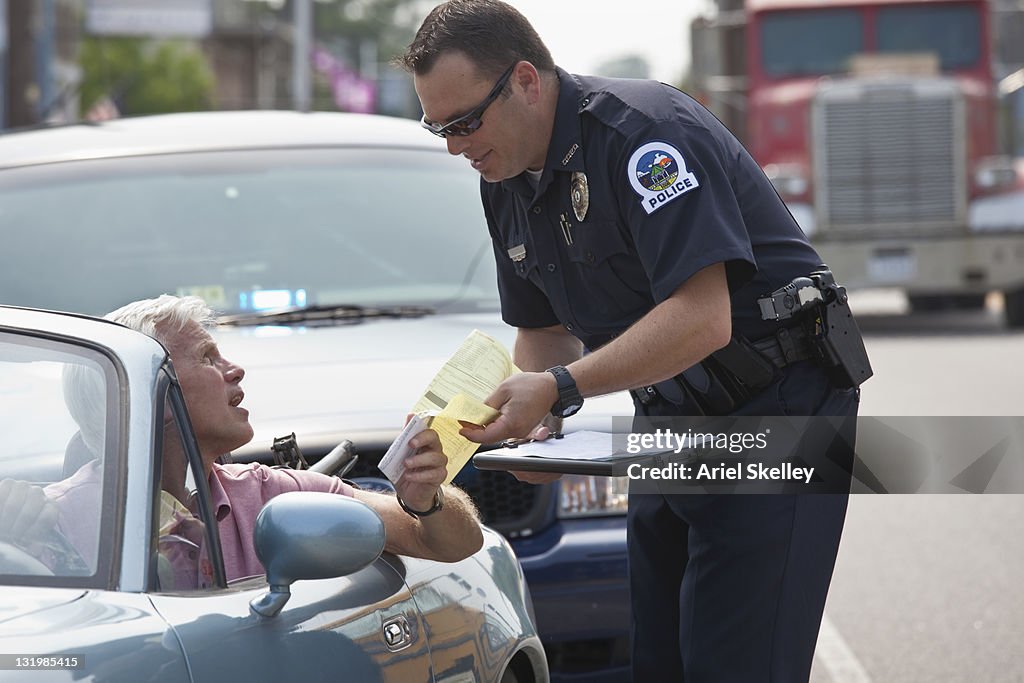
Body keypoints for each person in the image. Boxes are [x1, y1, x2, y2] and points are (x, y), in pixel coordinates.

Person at [399, 2, 865, 681]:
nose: (454, 145)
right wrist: (537, 430)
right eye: (437, 127)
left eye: (464, 121)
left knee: (738, 661)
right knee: (664, 659)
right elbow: (542, 331)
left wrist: (559, 389)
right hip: (670, 419)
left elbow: (705, 318)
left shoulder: (644, 136)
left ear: (526, 80)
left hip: (775, 409)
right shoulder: (502, 178)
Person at [0, 295, 483, 587]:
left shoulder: (275, 492)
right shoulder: (45, 520)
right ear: (154, 393)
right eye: (209, 357)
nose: (235, 369)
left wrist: (427, 500)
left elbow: (454, 544)